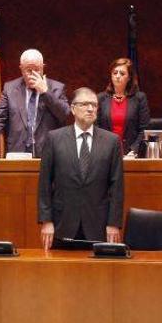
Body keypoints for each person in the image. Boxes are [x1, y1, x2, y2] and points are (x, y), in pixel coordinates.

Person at [38, 88, 124, 249]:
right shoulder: (54, 139)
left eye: (94, 105)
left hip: (98, 226)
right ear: (72, 108)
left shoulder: (111, 141)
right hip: (62, 224)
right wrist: (46, 221)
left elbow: (117, 187)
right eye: (85, 104)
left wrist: (113, 223)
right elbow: (44, 184)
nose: (90, 109)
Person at [0, 49, 70, 158]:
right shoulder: (10, 88)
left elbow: (64, 114)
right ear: (21, 69)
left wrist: (45, 92)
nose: (32, 74)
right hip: (17, 153)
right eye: (28, 70)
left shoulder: (57, 88)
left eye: (37, 69)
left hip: (48, 153)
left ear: (43, 67)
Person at [96, 58, 150, 156]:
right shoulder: (101, 98)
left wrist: (134, 150)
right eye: (115, 73)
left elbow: (144, 129)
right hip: (105, 153)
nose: (117, 76)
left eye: (122, 73)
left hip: (131, 154)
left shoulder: (139, 98)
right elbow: (96, 127)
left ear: (129, 77)